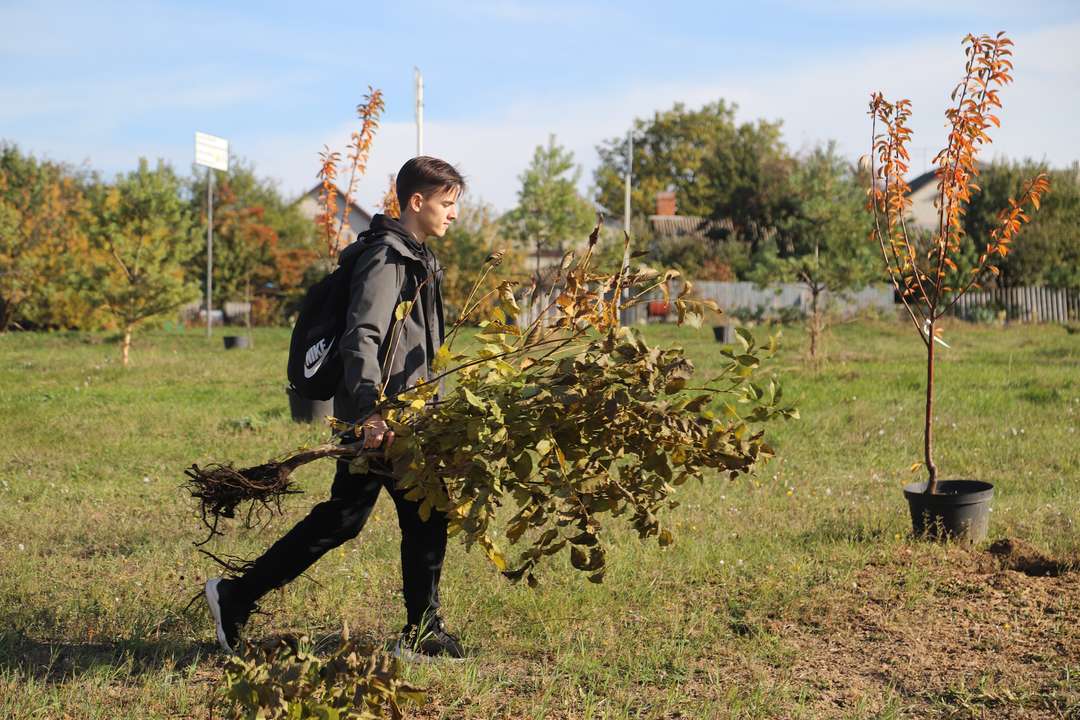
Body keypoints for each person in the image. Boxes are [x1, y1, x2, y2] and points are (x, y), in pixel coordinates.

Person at [205, 157, 466, 660]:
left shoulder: (414, 255)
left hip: (400, 414)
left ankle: (235, 596)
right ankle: (423, 632)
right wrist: (371, 411)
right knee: (424, 513)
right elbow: (362, 336)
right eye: (447, 204)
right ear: (417, 202)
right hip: (382, 418)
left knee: (346, 516)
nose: (453, 215)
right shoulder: (387, 259)